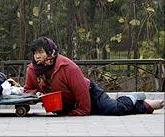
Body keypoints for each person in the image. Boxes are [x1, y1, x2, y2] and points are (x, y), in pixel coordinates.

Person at [24, 36, 164, 116]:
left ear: (51, 52)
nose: (37, 56)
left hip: (90, 94)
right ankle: (146, 105)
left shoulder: (67, 67)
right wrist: (36, 94)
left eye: (41, 52)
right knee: (108, 111)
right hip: (68, 105)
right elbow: (28, 90)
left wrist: (79, 111)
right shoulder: (32, 69)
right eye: (35, 52)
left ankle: (131, 97)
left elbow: (82, 94)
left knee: (114, 110)